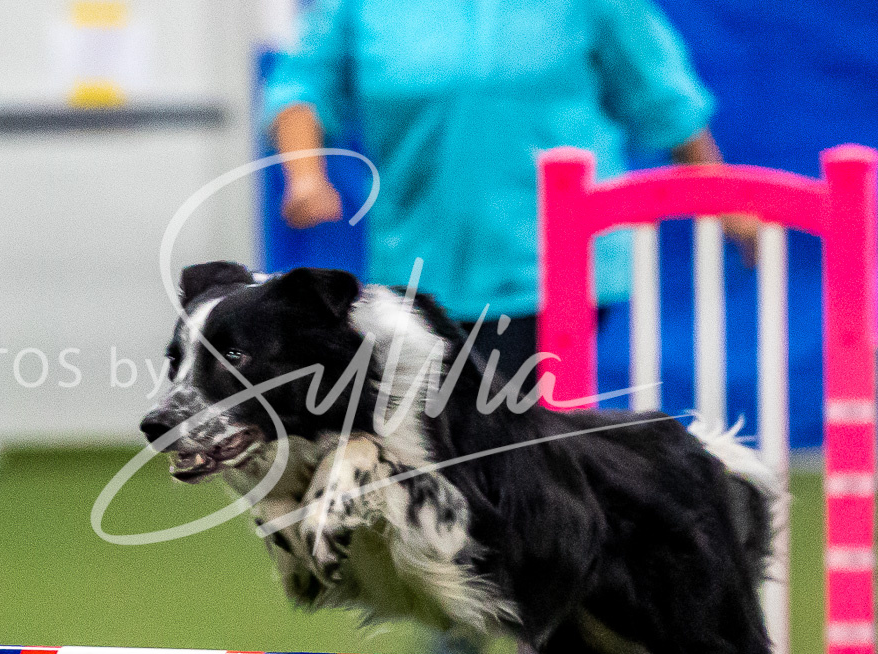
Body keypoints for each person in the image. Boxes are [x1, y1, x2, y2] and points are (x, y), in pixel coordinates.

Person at [263, 0, 757, 376]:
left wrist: (725, 201)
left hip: (557, 265)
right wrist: (305, 175)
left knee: (513, 440)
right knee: (443, 441)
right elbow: (301, 86)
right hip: (415, 264)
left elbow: (663, 97)